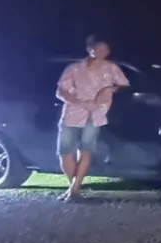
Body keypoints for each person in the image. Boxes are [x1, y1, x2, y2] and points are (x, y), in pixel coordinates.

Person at [54, 35, 130, 202]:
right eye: (100, 49)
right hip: (72, 114)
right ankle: (73, 187)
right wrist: (80, 102)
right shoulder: (74, 68)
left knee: (86, 150)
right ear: (90, 49)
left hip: (96, 115)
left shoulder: (111, 68)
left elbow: (124, 85)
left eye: (106, 50)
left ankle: (75, 188)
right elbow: (61, 91)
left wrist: (110, 89)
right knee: (65, 152)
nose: (104, 53)